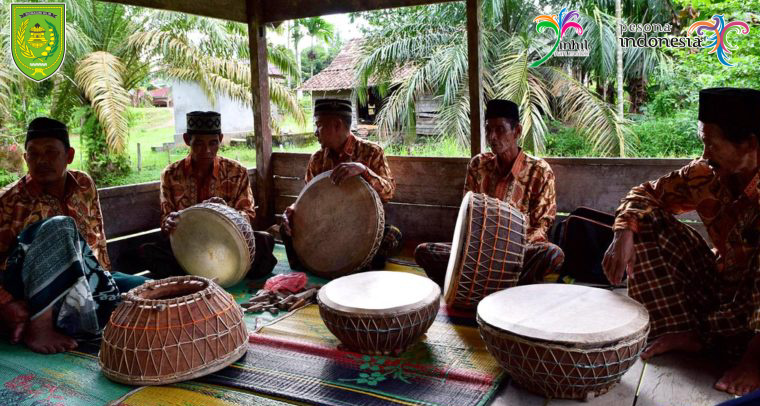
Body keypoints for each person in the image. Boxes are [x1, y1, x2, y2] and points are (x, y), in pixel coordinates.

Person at [602, 87, 760, 396]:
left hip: (757, 311)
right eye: (702, 141)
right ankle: (693, 334)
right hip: (719, 294)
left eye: (711, 144)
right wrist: (623, 232)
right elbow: (645, 193)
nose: (704, 154)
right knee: (644, 219)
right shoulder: (704, 174)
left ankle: (753, 357)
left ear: (748, 144)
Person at [0, 117, 145, 354]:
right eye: (33, 154)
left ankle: (90, 312)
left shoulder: (84, 185)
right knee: (60, 226)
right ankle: (40, 327)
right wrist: (5, 305)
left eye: (50, 152)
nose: (41, 161)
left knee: (148, 289)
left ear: (69, 155)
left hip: (84, 281)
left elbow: (97, 239)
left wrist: (106, 282)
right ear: (25, 158)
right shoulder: (9, 201)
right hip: (31, 295)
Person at [414, 99, 564, 286]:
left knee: (551, 253)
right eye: (488, 129)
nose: (492, 136)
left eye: (500, 129)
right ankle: (499, 284)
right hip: (478, 254)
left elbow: (541, 227)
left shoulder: (539, 170)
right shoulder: (478, 166)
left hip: (516, 254)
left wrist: (508, 248)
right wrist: (479, 248)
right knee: (424, 251)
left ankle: (482, 283)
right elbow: (468, 216)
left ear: (517, 131)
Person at [141, 111, 277, 277]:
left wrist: (225, 212)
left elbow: (247, 214)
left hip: (227, 245)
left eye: (213, 143)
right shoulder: (171, 174)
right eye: (198, 144)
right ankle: (198, 273)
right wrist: (169, 222)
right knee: (147, 252)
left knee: (264, 242)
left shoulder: (236, 172)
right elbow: (166, 218)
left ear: (220, 139)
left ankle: (197, 275)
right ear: (186, 140)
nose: (206, 150)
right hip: (189, 247)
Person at [281, 99, 402, 270]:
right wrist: (294, 210)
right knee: (286, 226)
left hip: (364, 229)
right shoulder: (317, 159)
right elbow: (307, 198)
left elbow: (388, 193)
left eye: (319, 125)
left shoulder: (371, 152)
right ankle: (310, 275)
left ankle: (359, 277)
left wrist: (363, 171)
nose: (316, 132)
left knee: (392, 235)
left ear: (337, 125)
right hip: (327, 226)